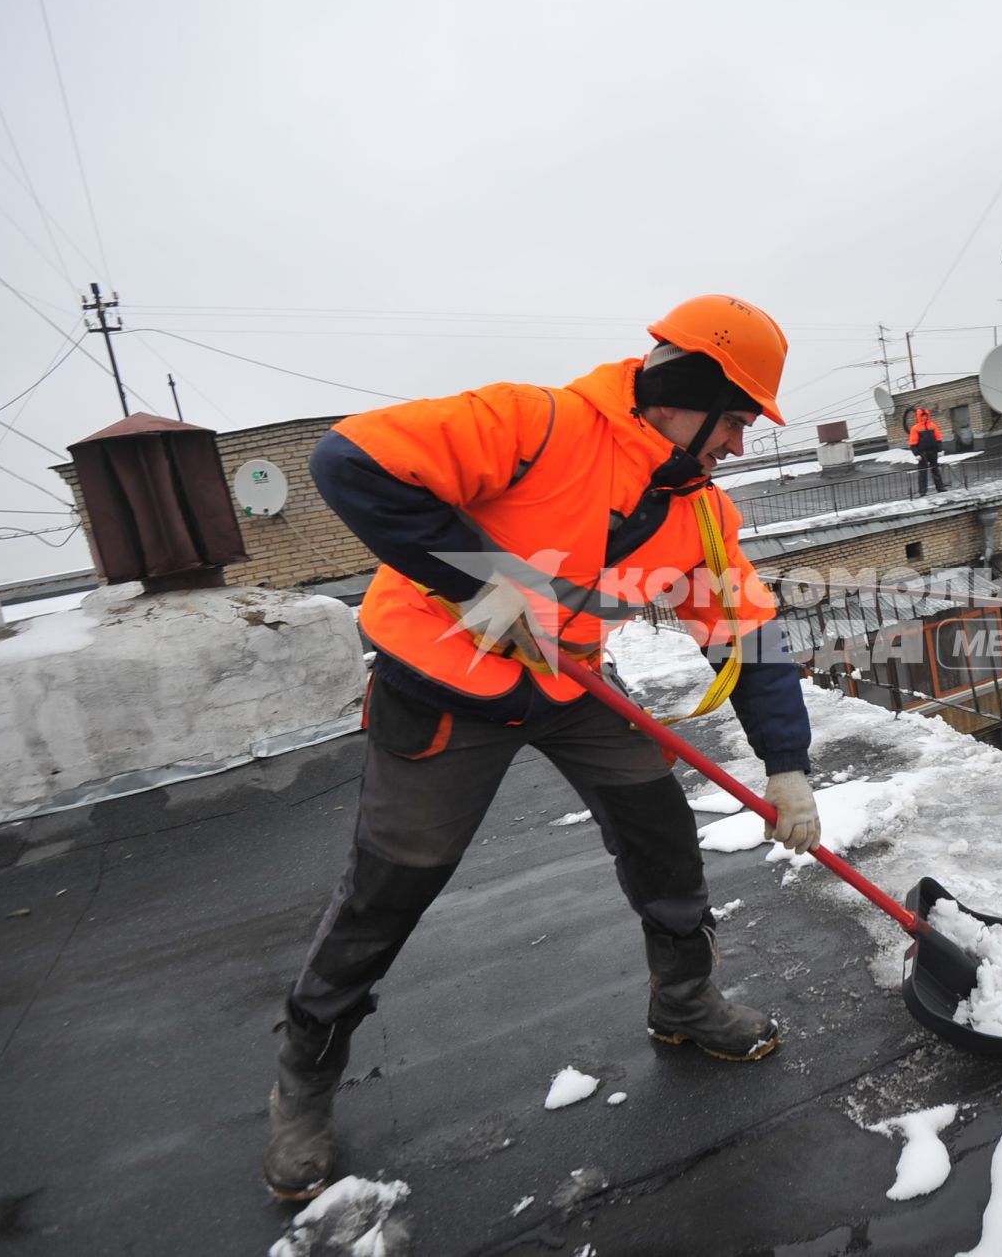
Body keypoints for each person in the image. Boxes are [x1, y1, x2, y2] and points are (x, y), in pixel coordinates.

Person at [263, 295, 823, 1201]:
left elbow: (747, 636)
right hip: (441, 678)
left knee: (659, 826)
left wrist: (787, 767)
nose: (739, 443)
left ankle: (683, 1000)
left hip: (569, 683)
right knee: (393, 880)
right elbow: (349, 462)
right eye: (735, 420)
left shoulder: (697, 512)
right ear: (688, 391)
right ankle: (304, 1080)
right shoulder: (537, 424)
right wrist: (482, 583)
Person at [908, 407, 947, 494]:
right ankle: (922, 491)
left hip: (933, 452)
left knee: (936, 470)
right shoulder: (915, 428)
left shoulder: (933, 426)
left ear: (928, 416)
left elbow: (938, 439)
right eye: (922, 416)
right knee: (923, 472)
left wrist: (940, 450)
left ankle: (940, 488)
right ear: (919, 417)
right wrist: (916, 454)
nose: (924, 417)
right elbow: (913, 443)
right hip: (923, 453)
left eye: (926, 416)